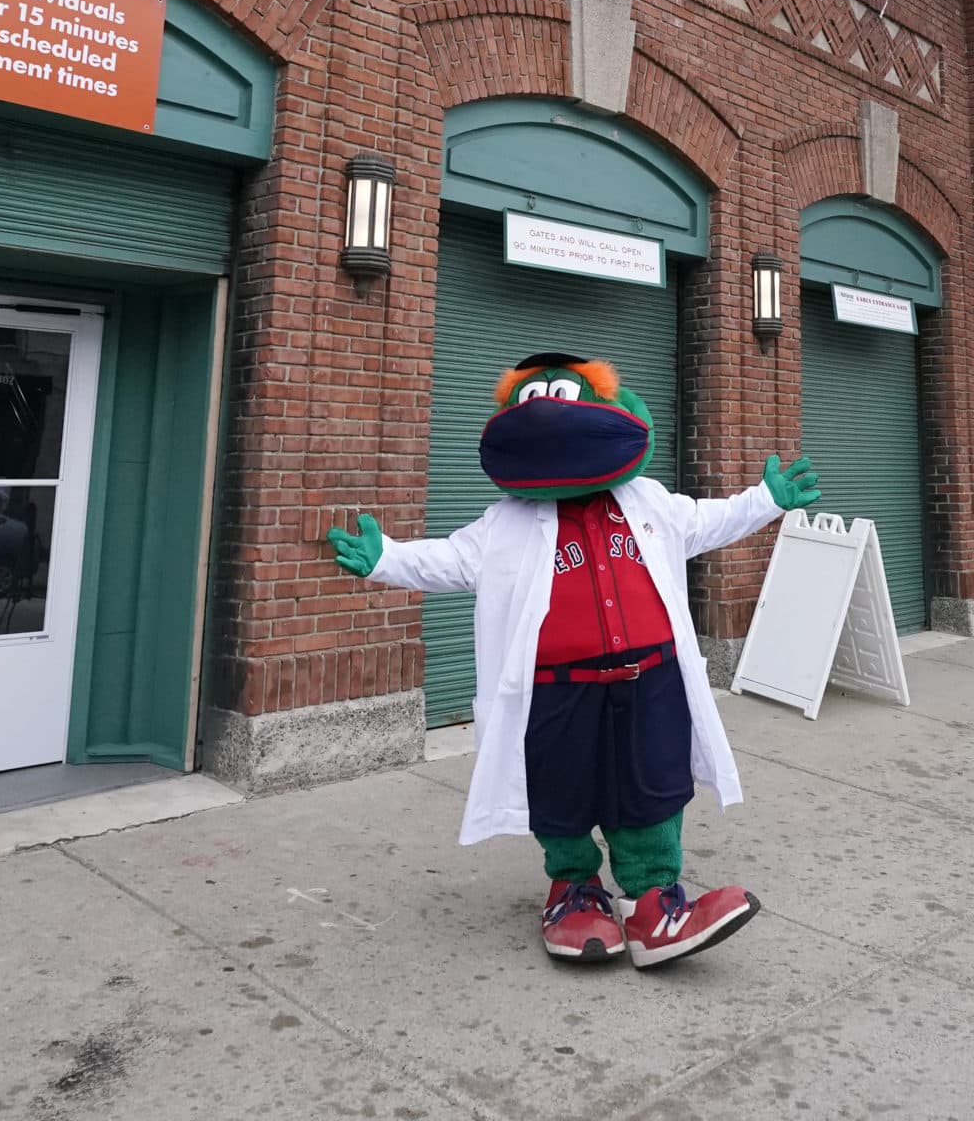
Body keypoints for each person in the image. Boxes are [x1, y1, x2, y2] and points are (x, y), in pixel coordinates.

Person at [327, 353, 820, 968]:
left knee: (653, 789)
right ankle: (574, 892)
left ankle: (654, 903)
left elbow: (707, 521)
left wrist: (764, 500)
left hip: (651, 682)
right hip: (556, 691)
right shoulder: (506, 522)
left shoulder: (649, 501)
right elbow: (451, 561)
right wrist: (387, 558)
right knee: (558, 792)